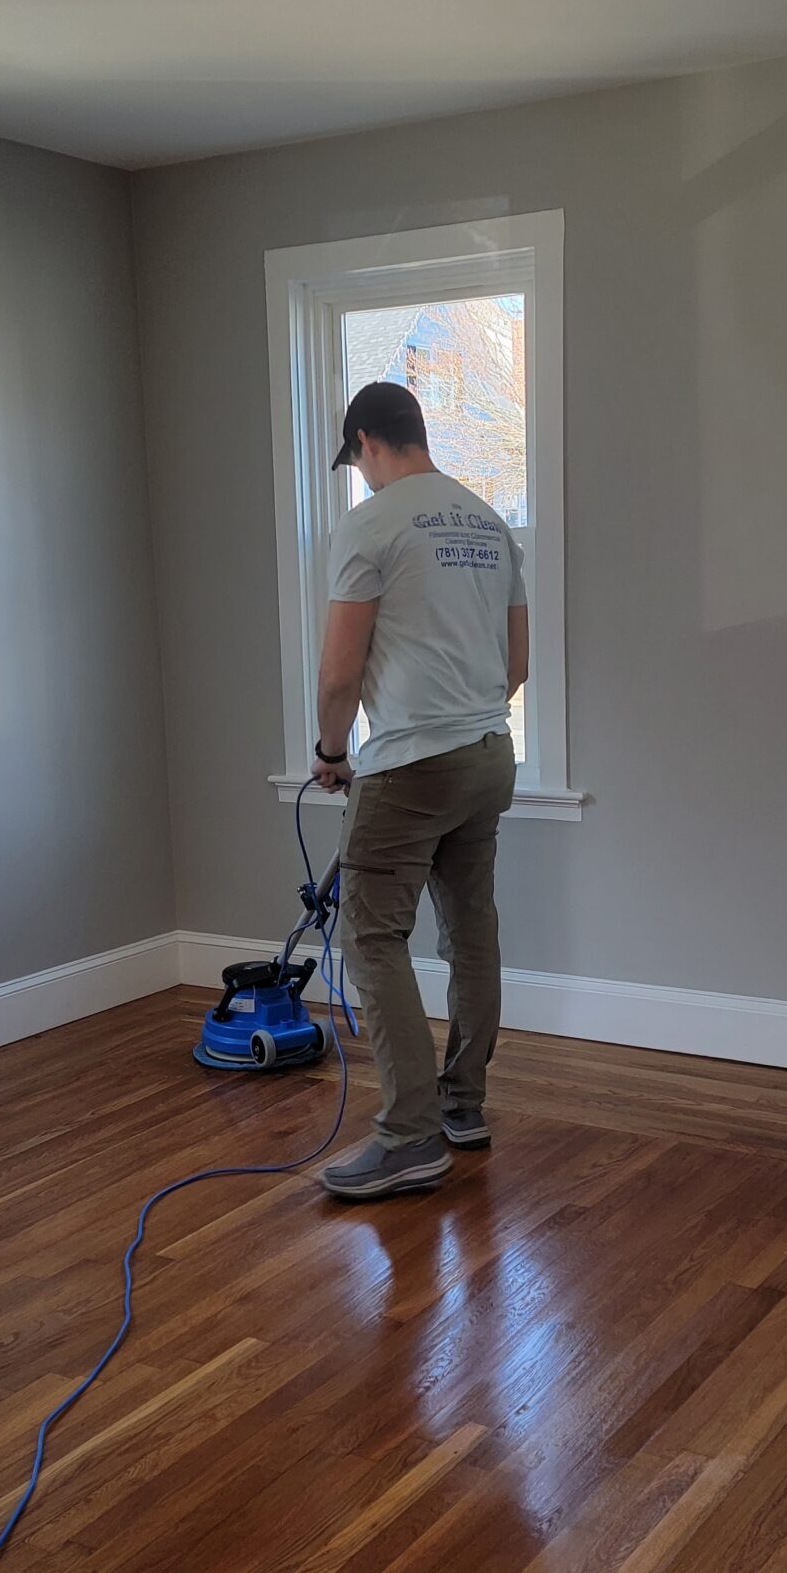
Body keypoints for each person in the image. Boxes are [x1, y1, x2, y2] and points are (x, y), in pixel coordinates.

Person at [308, 380, 527, 1199]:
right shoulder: (490, 522)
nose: (360, 474)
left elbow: (338, 673)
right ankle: (462, 1107)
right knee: (470, 927)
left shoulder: (372, 524)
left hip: (409, 764)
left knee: (372, 936)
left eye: (357, 460)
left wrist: (333, 751)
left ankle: (409, 1136)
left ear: (367, 441)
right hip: (487, 753)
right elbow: (519, 667)